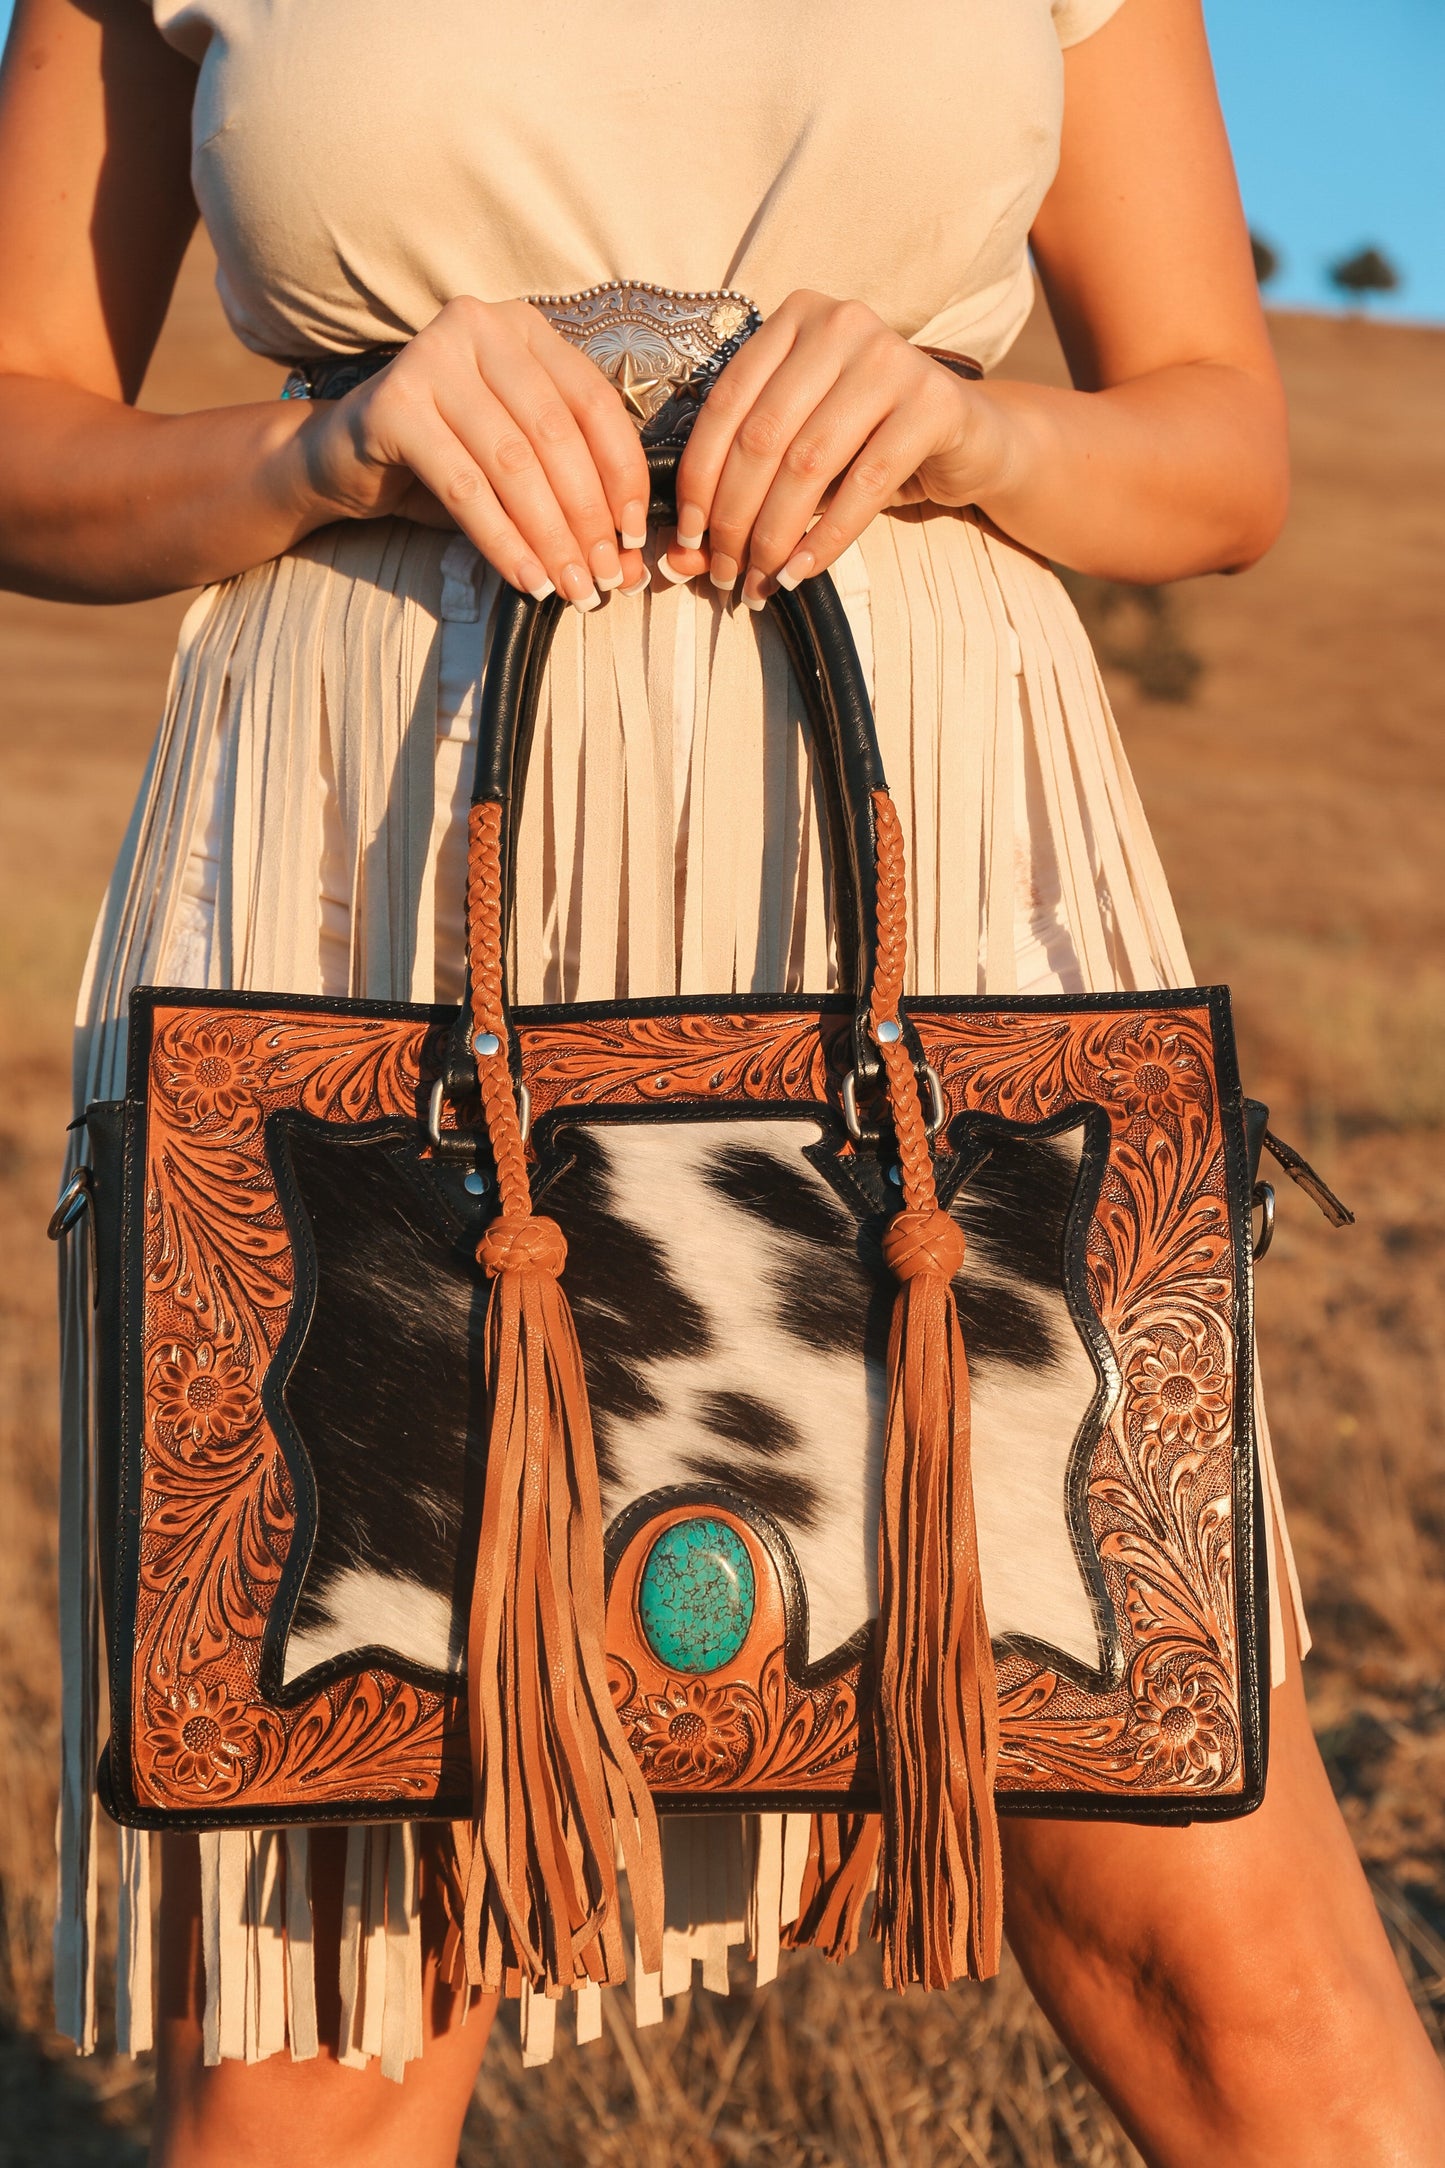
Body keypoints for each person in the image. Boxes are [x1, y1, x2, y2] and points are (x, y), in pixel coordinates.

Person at [2, 0, 1442, 2161]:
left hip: (931, 909)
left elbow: (1221, 449)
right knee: (337, 2017)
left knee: (1227, 1949)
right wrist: (319, 451)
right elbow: (24, 438)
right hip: (386, 894)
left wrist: (978, 430)